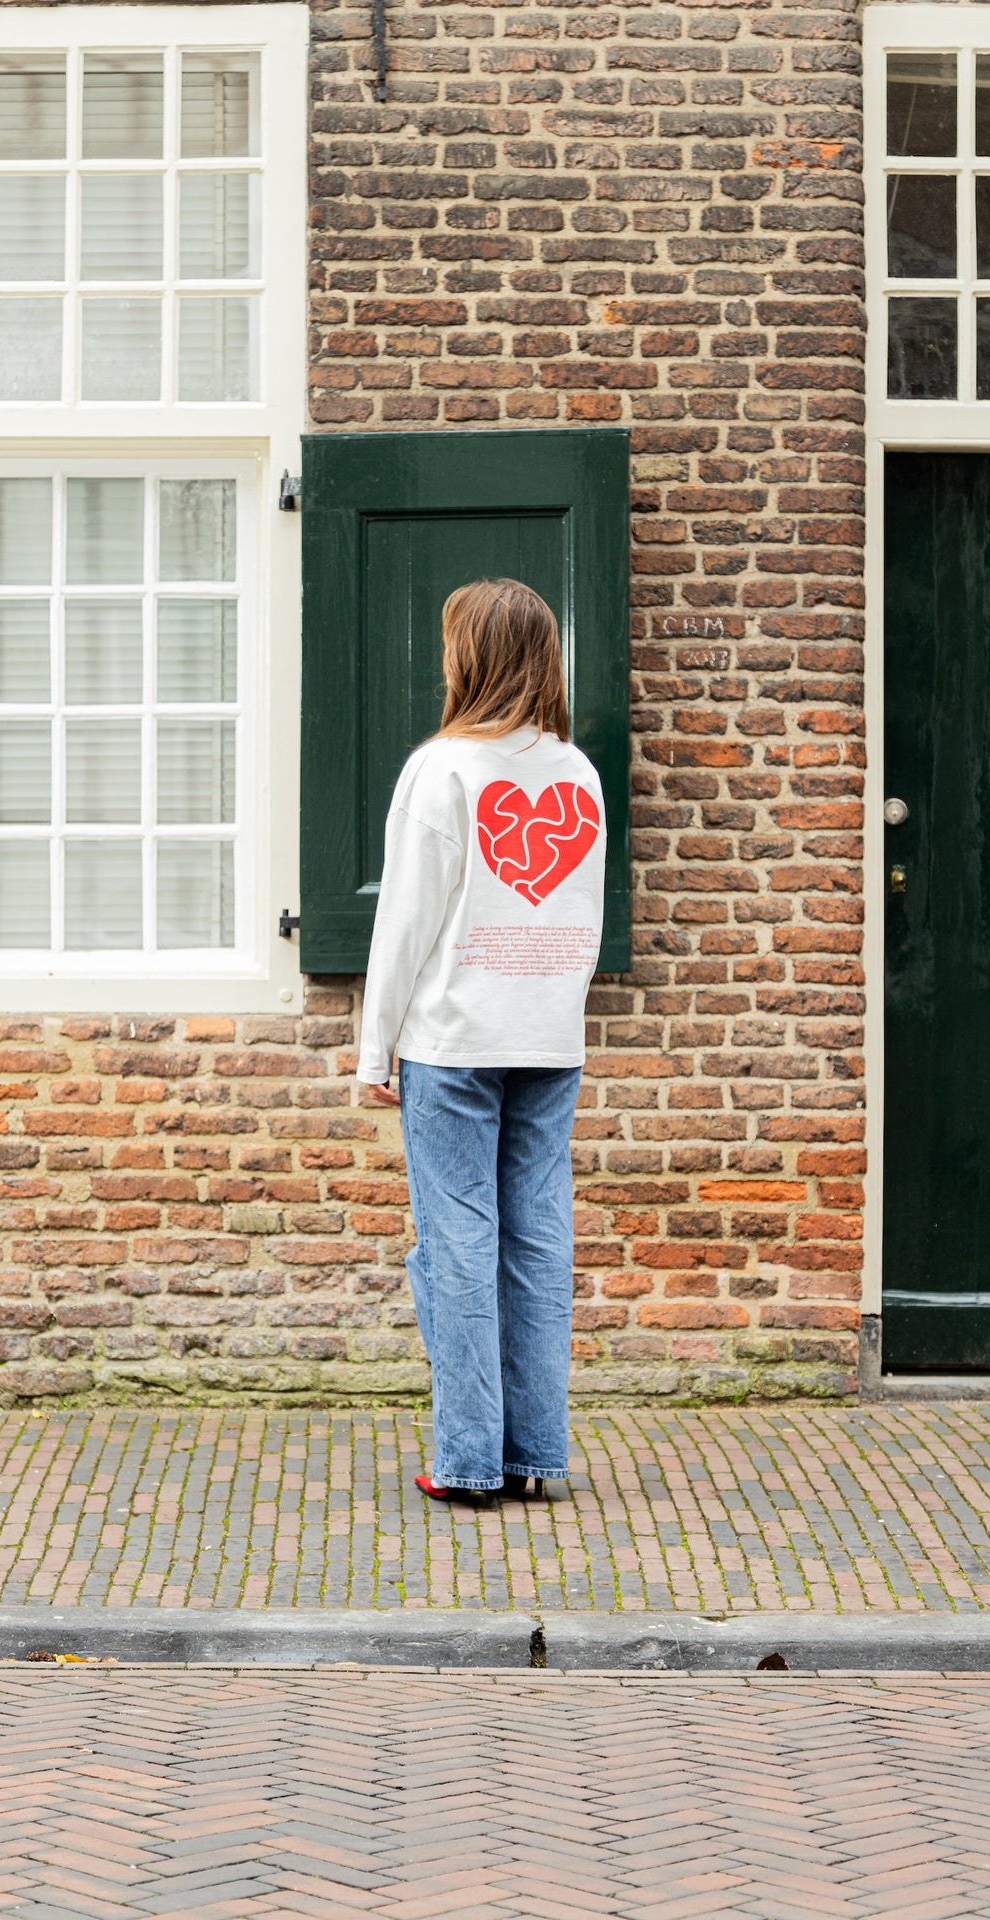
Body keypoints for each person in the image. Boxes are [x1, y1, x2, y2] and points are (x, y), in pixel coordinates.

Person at [356, 577, 607, 1505]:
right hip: (549, 1039)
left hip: (454, 1039)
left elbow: (405, 925)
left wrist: (373, 1047)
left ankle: (467, 1460)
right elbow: (582, 917)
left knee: (456, 1242)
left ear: (470, 657)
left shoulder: (444, 769)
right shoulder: (577, 774)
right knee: (538, 1239)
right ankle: (536, 1452)